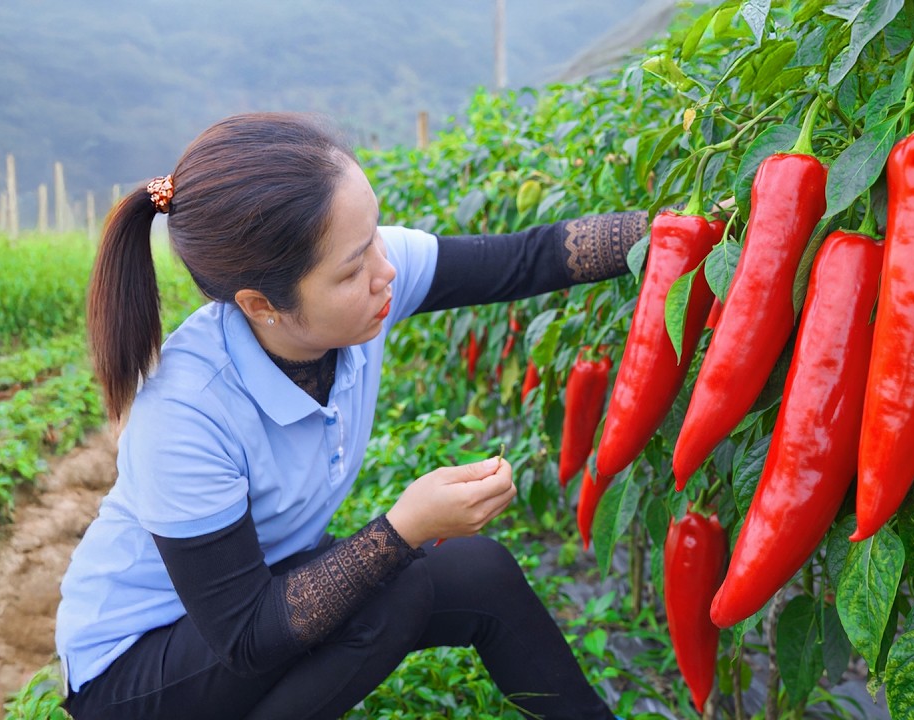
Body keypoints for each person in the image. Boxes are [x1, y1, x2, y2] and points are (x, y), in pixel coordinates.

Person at [55, 112, 646, 719]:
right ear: (262, 305)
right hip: (133, 672)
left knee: (481, 574)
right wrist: (404, 527)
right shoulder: (186, 411)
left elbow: (527, 258)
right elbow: (247, 637)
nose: (385, 272)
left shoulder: (370, 282)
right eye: (352, 267)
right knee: (398, 590)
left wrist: (667, 233)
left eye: (375, 240)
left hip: (254, 596)